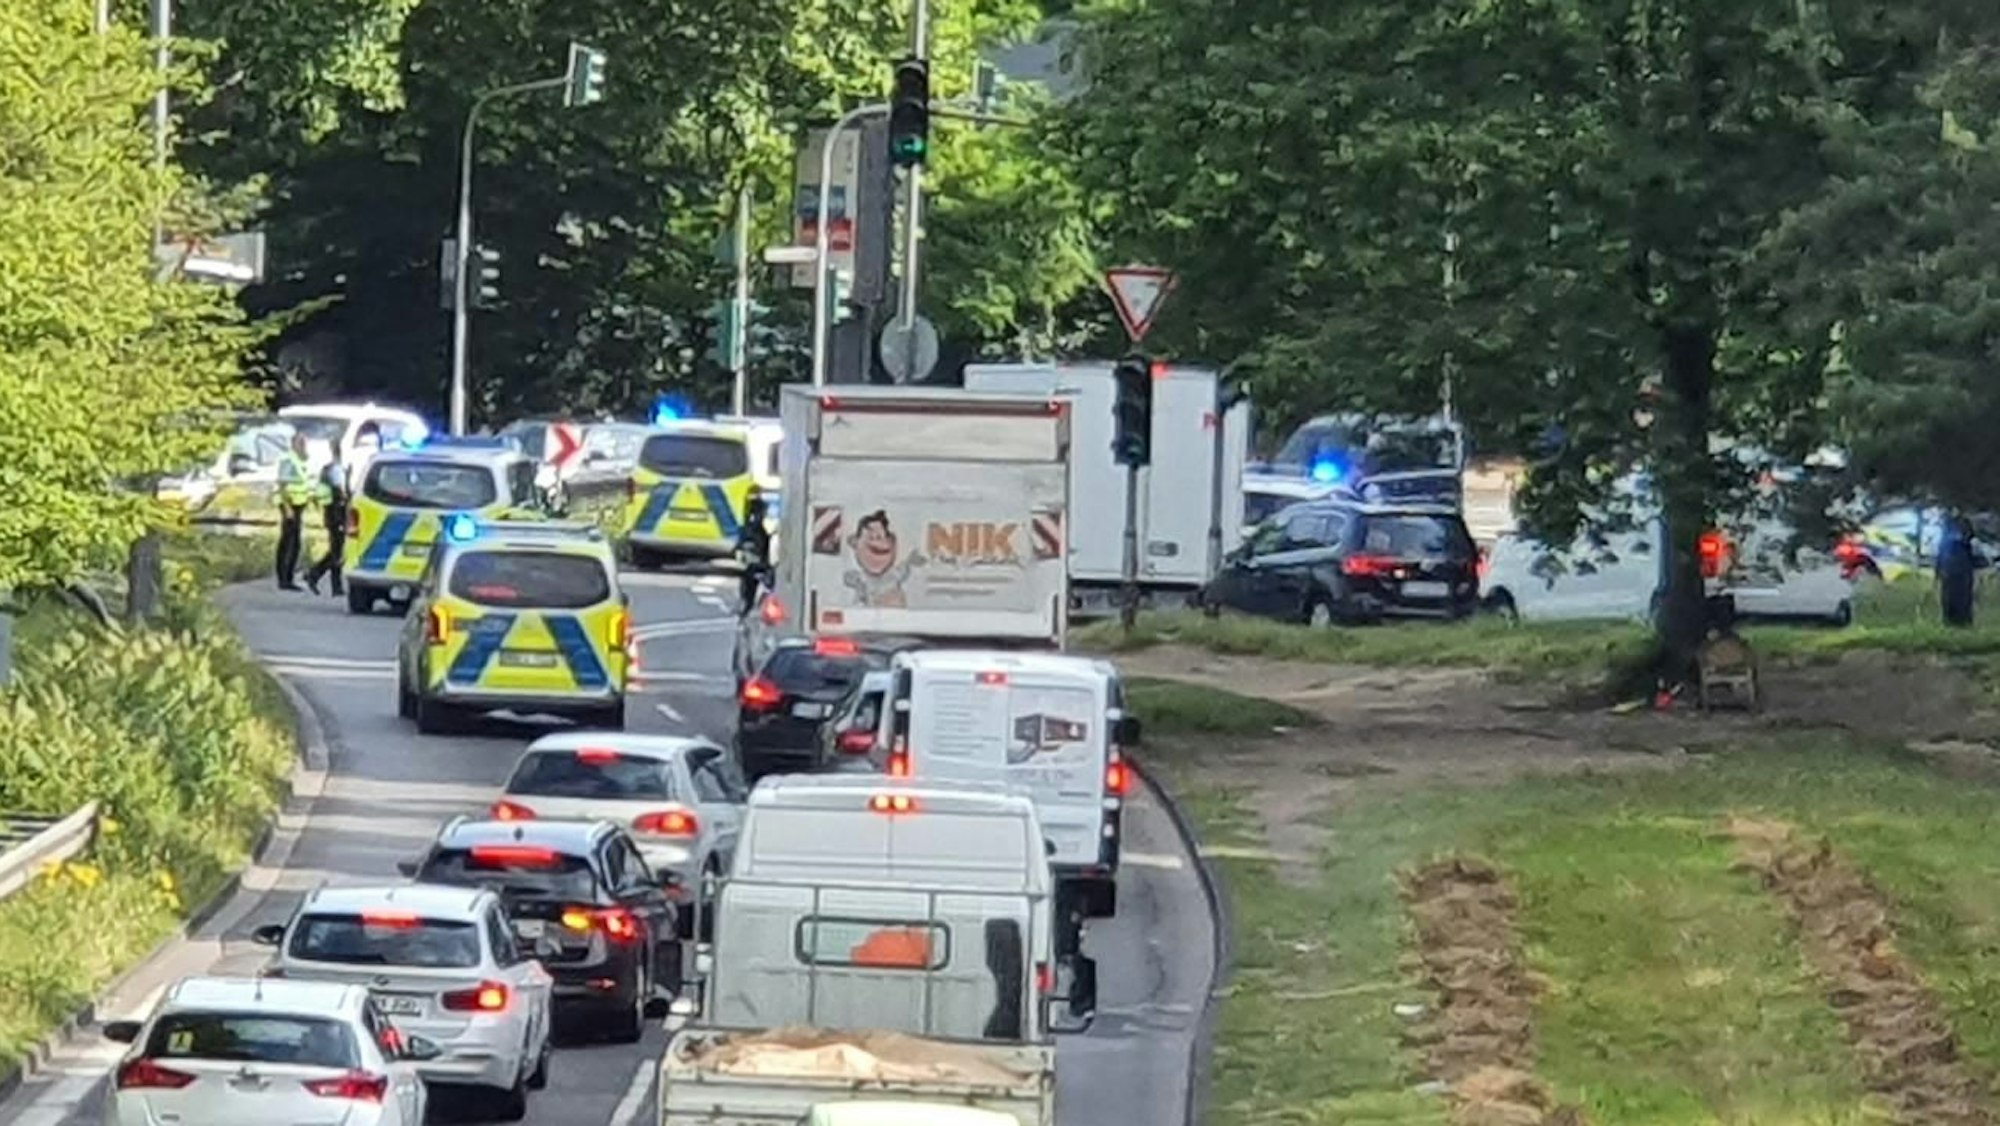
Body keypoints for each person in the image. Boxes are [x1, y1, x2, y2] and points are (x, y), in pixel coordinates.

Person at [303, 444, 349, 596]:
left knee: (337, 551)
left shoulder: (332, 469)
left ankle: (335, 586)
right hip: (336, 513)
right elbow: (340, 492)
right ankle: (314, 574)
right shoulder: (335, 470)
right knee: (337, 551)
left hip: (333, 513)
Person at [274, 431, 314, 590]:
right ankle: (284, 578)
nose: (303, 446)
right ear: (293, 444)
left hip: (298, 505)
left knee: (294, 542)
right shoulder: (288, 460)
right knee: (289, 542)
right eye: (300, 443)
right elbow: (282, 484)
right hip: (289, 504)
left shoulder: (300, 459)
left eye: (304, 443)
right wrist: (287, 507)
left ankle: (288, 577)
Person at [737, 486, 772, 614]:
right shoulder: (756, 530)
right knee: (751, 581)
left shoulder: (752, 529)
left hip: (755, 552)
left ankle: (747, 605)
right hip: (756, 555)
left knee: (750, 581)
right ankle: (747, 605)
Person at [1939, 514, 1976, 627]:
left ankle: (1961, 620)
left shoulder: (1960, 533)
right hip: (1952, 569)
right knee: (1951, 596)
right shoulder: (1948, 532)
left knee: (1961, 597)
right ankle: (1951, 620)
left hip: (1960, 569)